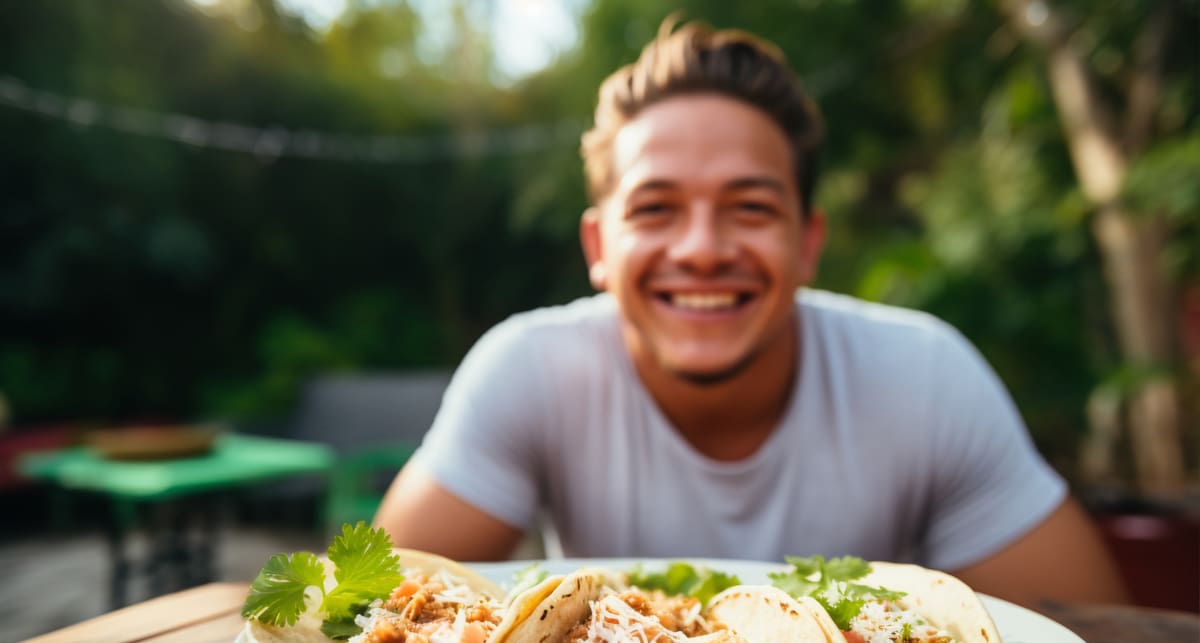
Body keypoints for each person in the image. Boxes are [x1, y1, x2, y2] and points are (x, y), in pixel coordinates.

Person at [374, 18, 1129, 607]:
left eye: (750, 207)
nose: (702, 249)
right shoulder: (529, 371)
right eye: (657, 208)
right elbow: (361, 617)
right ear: (600, 247)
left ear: (808, 243)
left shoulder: (925, 378)